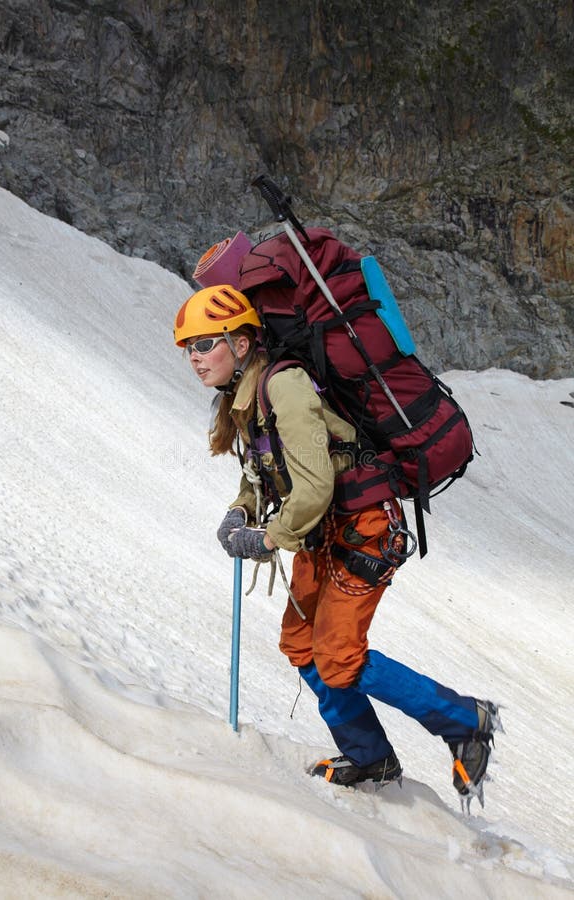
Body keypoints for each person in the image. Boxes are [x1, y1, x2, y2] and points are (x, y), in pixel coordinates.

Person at [174, 284, 500, 809]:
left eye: (205, 343)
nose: (194, 358)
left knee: (339, 656)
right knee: (302, 646)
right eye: (187, 348)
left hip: (364, 528)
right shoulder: (246, 395)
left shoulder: (285, 387)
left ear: (240, 343)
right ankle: (369, 754)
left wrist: (268, 538)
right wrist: (243, 510)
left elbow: (315, 483)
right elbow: (266, 470)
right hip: (324, 532)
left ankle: (467, 720)